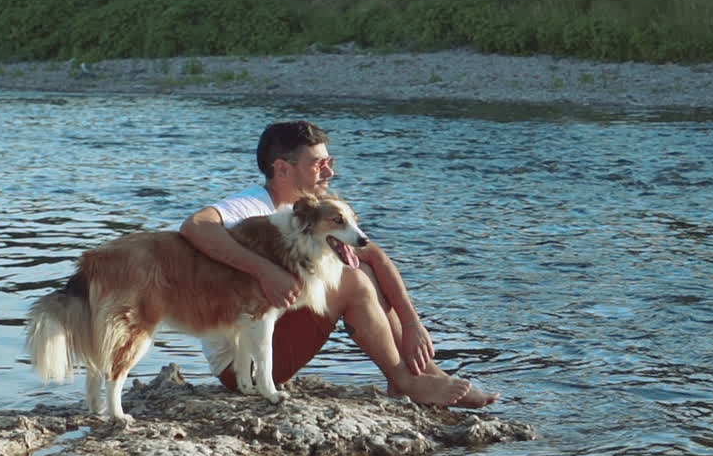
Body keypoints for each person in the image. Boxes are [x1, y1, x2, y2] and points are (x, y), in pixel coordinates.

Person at [180, 120, 499, 408]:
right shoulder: (250, 205)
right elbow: (194, 226)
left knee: (364, 268)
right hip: (240, 364)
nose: (329, 172)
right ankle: (407, 380)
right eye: (318, 164)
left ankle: (422, 373)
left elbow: (376, 256)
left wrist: (413, 323)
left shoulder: (318, 212)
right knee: (353, 281)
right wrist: (266, 271)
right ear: (282, 169)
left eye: (329, 162)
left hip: (275, 336)